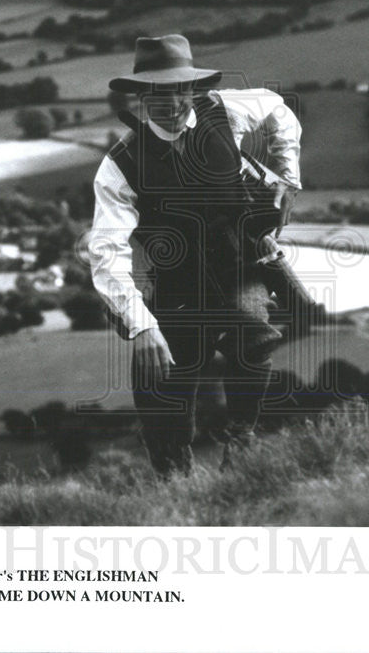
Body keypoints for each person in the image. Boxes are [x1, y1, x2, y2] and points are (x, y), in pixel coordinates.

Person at [87, 34, 303, 476]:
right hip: (175, 285)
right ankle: (174, 484)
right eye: (159, 93)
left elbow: (279, 111)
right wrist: (143, 327)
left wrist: (287, 176)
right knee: (156, 387)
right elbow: (106, 253)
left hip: (241, 265)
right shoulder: (120, 165)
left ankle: (239, 446)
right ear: (141, 96)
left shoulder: (225, 110)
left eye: (180, 89)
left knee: (253, 336)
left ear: (194, 87)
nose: (172, 102)